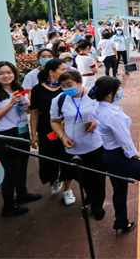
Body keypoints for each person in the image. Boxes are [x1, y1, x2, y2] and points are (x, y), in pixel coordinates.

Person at [91, 74, 140, 234]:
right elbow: (123, 138)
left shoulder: (99, 107)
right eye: (118, 89)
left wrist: (123, 79)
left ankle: (121, 222)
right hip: (118, 156)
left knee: (119, 189)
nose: (120, 91)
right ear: (110, 94)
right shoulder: (112, 114)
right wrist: (133, 153)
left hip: (107, 155)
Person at [0, 62, 42, 216]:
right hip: (4, 136)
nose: (6, 76)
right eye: (1, 73)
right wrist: (11, 104)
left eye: (9, 72)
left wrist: (27, 105)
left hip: (22, 132)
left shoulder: (19, 90)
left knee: (22, 167)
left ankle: (22, 194)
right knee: (12, 171)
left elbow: (27, 111)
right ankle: (8, 206)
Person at [50, 70, 106, 220]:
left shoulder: (94, 95)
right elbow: (54, 121)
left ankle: (97, 205)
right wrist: (62, 136)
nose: (66, 88)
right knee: (82, 177)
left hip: (95, 144)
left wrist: (96, 122)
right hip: (73, 146)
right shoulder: (59, 100)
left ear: (80, 82)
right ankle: (90, 195)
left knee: (98, 177)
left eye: (69, 85)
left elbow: (106, 112)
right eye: (63, 86)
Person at [29, 59, 76, 204]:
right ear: (51, 72)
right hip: (46, 129)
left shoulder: (68, 87)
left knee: (68, 158)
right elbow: (34, 112)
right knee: (49, 159)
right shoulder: (37, 90)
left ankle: (68, 189)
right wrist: (34, 134)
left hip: (67, 128)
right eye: (63, 69)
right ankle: (54, 179)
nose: (67, 71)